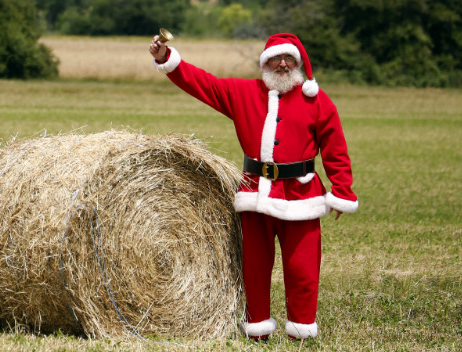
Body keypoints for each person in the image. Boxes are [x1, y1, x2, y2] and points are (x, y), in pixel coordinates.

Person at [149, 32, 358, 341]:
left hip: (302, 196)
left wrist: (341, 191)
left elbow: (335, 148)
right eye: (276, 58)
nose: (283, 64)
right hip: (254, 196)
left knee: (303, 270)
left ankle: (301, 331)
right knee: (255, 269)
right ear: (265, 63)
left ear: (299, 64)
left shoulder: (317, 100)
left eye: (289, 59)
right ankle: (257, 329)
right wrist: (166, 58)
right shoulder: (242, 92)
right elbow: (202, 83)